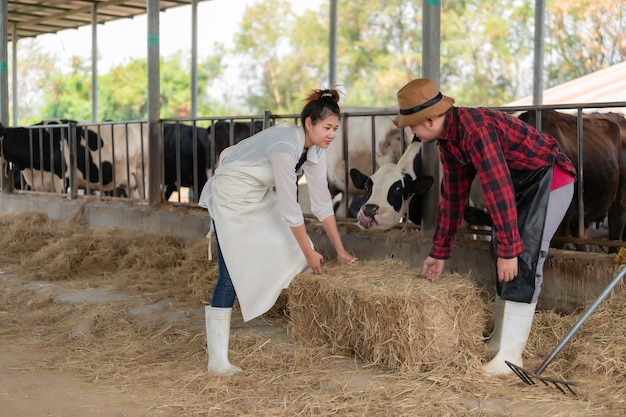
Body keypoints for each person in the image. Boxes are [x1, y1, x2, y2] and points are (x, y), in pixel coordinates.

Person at [392, 78, 576, 376]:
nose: (411, 131)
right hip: (518, 187)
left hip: (549, 180)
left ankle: (510, 357)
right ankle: (500, 343)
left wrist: (509, 249)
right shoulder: (449, 141)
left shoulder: (475, 129)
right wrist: (439, 252)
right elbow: (453, 197)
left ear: (428, 119)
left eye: (412, 124)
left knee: (523, 258)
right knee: (507, 255)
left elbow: (497, 187)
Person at [198, 88, 356, 375]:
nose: (331, 134)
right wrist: (310, 254)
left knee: (299, 247)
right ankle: (217, 361)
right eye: (327, 127)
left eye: (335, 128)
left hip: (255, 194)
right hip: (230, 195)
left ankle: (315, 335)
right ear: (309, 123)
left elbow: (322, 203)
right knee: (229, 274)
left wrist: (341, 251)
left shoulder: (315, 152)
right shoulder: (286, 145)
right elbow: (289, 206)